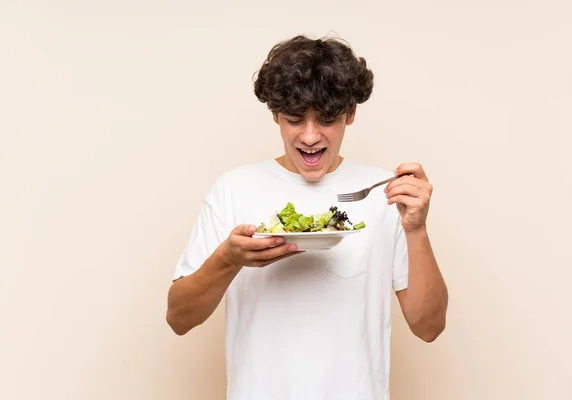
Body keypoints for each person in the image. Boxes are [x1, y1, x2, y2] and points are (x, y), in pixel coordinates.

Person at [166, 35, 448, 400]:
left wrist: (417, 229)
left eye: (327, 120)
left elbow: (429, 327)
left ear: (350, 114)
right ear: (274, 116)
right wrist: (228, 260)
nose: (311, 136)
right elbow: (179, 319)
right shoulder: (233, 189)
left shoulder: (384, 193)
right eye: (295, 120)